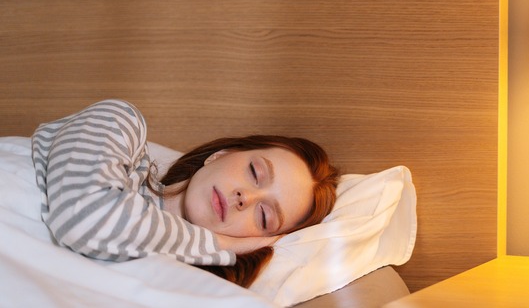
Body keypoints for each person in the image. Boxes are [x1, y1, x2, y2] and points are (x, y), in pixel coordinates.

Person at [31, 99, 339, 288]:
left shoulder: (186, 287)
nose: (246, 198)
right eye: (255, 172)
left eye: (264, 215)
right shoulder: (120, 124)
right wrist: (223, 242)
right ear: (220, 154)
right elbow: (84, 220)